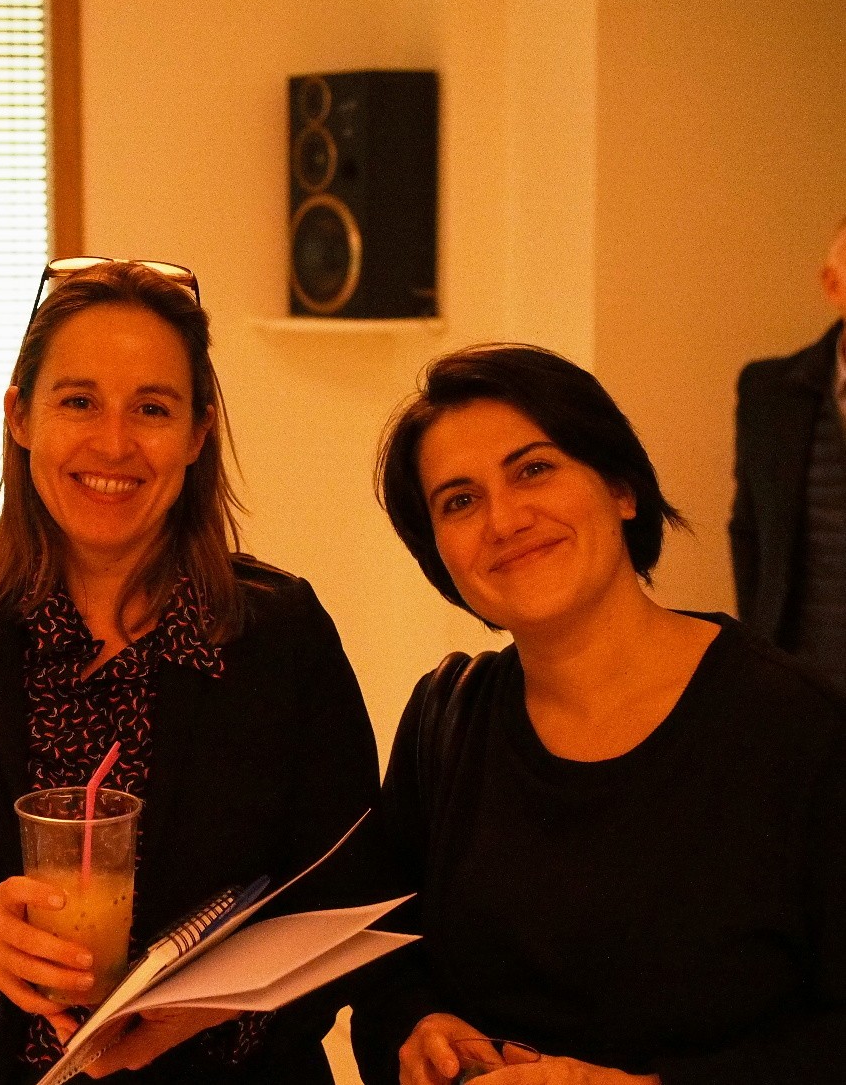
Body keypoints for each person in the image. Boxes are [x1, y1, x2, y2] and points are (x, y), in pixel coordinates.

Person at [0, 258, 380, 1084]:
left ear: (197, 433)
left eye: (151, 408)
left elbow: (349, 893)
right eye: (79, 401)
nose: (114, 443)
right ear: (21, 415)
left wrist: (208, 1013)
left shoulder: (281, 636)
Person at [352, 343, 846, 1085]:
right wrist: (419, 1029)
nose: (505, 519)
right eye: (460, 500)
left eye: (533, 469)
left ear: (621, 488)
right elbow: (383, 968)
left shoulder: (798, 730)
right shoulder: (444, 721)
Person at [730, 217, 846, 691]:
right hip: (804, 683)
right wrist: (761, 647)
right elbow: (749, 528)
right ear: (833, 285)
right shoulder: (770, 393)